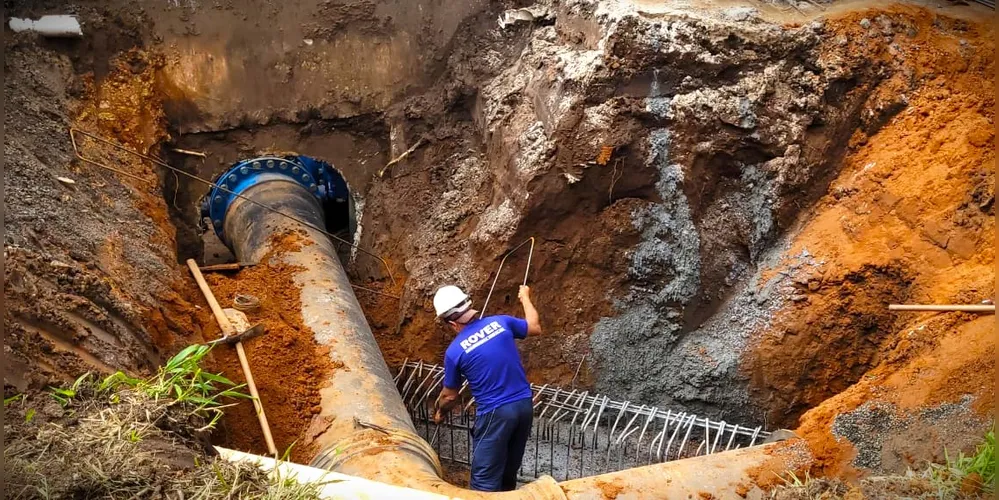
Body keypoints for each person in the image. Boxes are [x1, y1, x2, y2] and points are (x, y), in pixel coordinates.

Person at [432, 284, 542, 492]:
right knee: (508, 471)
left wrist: (440, 412)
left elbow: (449, 396)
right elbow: (534, 326)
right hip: (525, 405)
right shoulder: (500, 321)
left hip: (496, 412)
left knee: (484, 480)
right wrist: (525, 297)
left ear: (452, 323)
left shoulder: (455, 351)